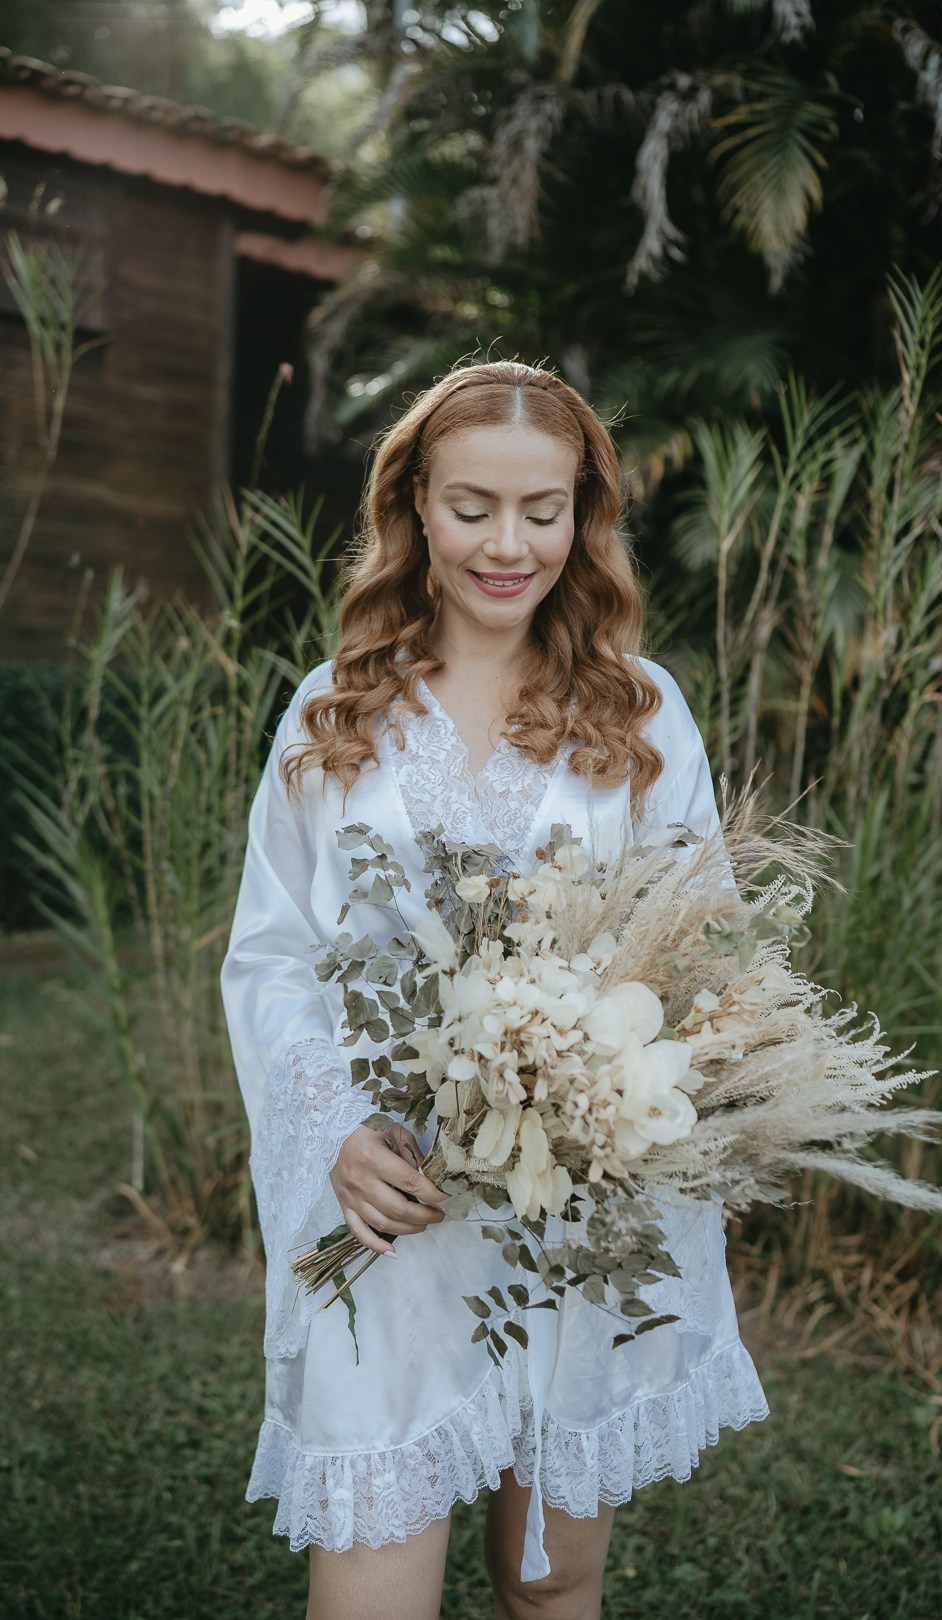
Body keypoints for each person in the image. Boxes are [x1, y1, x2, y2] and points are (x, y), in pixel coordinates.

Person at [220, 359, 768, 1620]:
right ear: (414, 504)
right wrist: (338, 1131)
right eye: (472, 508)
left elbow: (705, 950)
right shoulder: (333, 714)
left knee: (553, 1584)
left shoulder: (640, 716)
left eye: (543, 509)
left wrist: (609, 1088)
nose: (508, 545)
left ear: (586, 513)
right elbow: (272, 953)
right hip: (390, 1210)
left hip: (577, 1216)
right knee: (372, 1587)